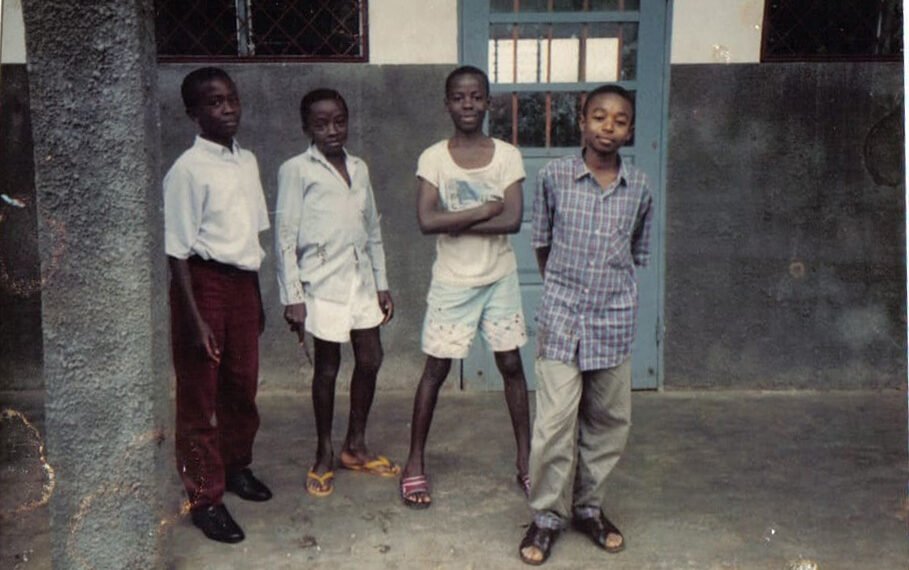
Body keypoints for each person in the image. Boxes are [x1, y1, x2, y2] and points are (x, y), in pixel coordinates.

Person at [518, 84, 654, 565]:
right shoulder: (554, 177)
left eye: (620, 121)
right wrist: (564, 292)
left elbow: (635, 253)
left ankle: (589, 508)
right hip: (561, 320)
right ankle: (546, 518)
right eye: (600, 117)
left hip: (613, 321)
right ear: (582, 120)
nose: (608, 128)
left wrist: (605, 297)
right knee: (554, 425)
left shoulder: (638, 186)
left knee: (608, 422)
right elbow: (542, 244)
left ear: (630, 130)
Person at [399, 65, 531, 509]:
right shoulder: (433, 157)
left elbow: (511, 220)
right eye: (459, 97)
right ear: (447, 104)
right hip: (453, 281)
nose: (468, 104)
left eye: (476, 97)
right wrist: (483, 210)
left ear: (488, 102)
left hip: (498, 278)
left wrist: (453, 222)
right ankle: (414, 461)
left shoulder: (508, 155)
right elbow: (424, 220)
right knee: (435, 370)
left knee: (511, 364)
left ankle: (527, 459)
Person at [164, 67, 272, 544]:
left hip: (242, 284)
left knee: (241, 387)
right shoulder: (187, 170)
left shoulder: (245, 161)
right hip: (202, 285)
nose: (227, 109)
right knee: (199, 398)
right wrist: (195, 320)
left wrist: (257, 297)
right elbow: (178, 252)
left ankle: (235, 467)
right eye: (213, 103)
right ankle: (204, 498)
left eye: (231, 99)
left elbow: (250, 238)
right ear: (193, 114)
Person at [275, 88, 397, 498]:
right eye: (322, 124)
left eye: (339, 121)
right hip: (322, 283)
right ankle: (324, 452)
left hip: (360, 282)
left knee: (371, 357)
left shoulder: (358, 167)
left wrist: (382, 284)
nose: (332, 130)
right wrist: (292, 295)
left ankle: (355, 446)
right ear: (306, 127)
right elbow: (285, 236)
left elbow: (372, 230)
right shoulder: (297, 169)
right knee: (327, 368)